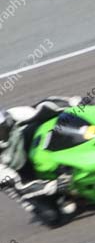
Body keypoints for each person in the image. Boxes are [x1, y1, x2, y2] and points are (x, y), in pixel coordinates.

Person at [0, 96, 85, 226]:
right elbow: (22, 187)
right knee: (52, 218)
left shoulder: (12, 116)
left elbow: (43, 107)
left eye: (3, 127)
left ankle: (72, 156)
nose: (3, 132)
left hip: (25, 146)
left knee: (48, 122)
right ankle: (65, 195)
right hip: (19, 177)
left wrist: (72, 102)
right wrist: (53, 186)